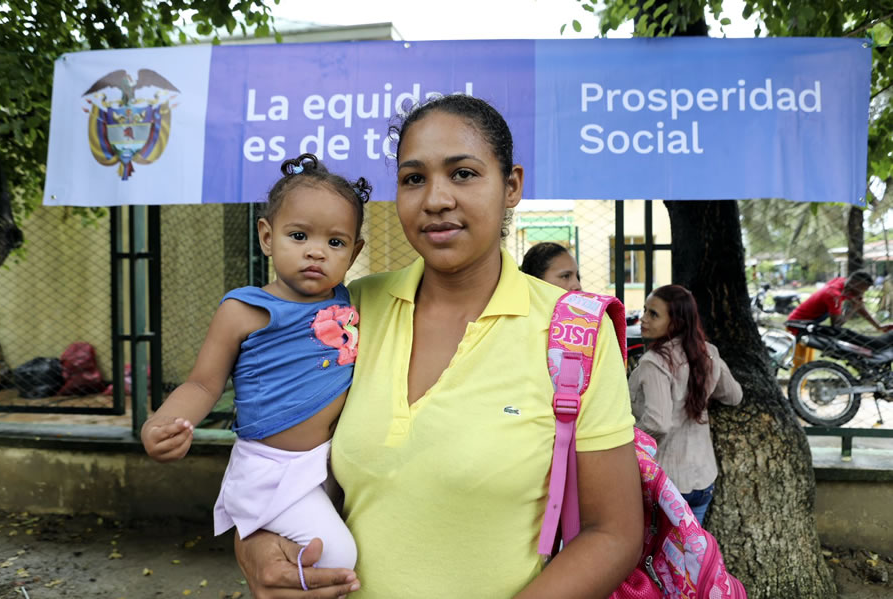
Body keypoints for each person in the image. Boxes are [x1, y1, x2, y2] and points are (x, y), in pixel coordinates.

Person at [234, 95, 643, 598]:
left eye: (463, 174)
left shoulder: (572, 333)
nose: (435, 199)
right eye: (413, 179)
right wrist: (253, 544)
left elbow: (615, 532)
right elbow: (273, 460)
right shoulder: (344, 314)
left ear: (511, 185)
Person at [141, 153, 370, 571]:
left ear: (353, 254)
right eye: (299, 236)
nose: (316, 252)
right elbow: (202, 385)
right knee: (337, 556)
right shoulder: (244, 309)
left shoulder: (351, 301)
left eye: (335, 243)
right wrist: (161, 423)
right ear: (267, 236)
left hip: (329, 467)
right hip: (272, 472)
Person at [628, 284, 742, 526]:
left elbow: (658, 422)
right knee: (688, 556)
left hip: (665, 483)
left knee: (657, 559)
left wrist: (626, 442)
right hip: (702, 479)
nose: (643, 319)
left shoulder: (655, 363)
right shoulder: (708, 353)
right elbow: (733, 396)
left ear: (676, 321)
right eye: (645, 310)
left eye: (653, 314)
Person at [786, 270, 893, 369]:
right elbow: (836, 325)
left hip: (812, 323)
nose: (862, 293)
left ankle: (801, 385)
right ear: (854, 283)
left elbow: (860, 307)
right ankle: (797, 385)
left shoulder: (846, 285)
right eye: (862, 289)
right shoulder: (834, 294)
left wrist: (877, 326)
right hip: (798, 325)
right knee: (800, 361)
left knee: (807, 358)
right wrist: (852, 310)